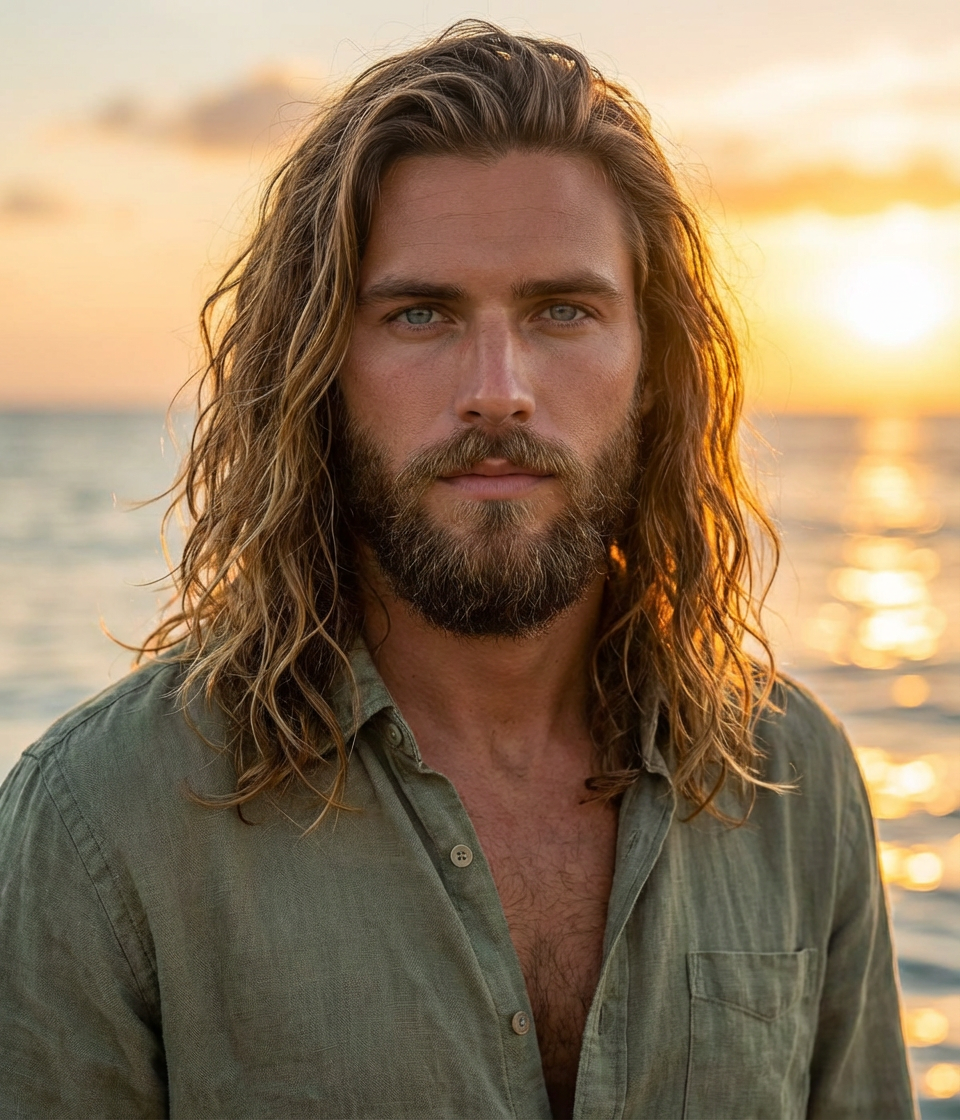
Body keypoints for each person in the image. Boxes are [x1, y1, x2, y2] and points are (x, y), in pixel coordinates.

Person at [0, 22, 915, 1120]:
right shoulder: (106, 820)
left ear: (655, 364)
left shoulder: (791, 783)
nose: (497, 390)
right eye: (420, 313)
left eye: (562, 310)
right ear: (318, 366)